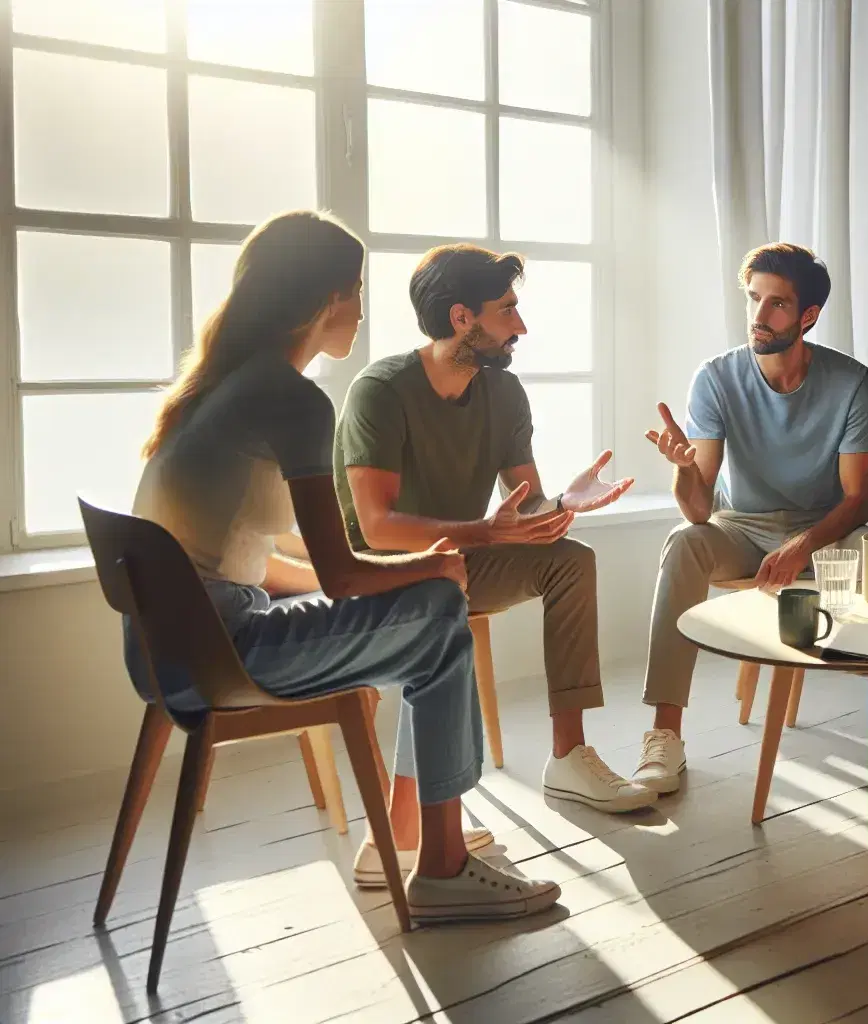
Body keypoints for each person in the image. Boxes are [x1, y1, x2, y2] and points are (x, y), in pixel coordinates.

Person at [129, 211, 561, 922]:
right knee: (443, 610)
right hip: (222, 653)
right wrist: (432, 566)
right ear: (327, 299)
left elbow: (254, 558)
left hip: (168, 650)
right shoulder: (293, 400)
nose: (362, 308)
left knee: (433, 606)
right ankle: (442, 863)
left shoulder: (219, 388)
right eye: (356, 288)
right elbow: (341, 576)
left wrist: (425, 569)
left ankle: (411, 834)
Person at [334, 244, 648, 818]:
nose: (521, 326)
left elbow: (521, 516)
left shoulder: (503, 393)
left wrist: (561, 502)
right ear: (462, 318)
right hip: (387, 574)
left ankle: (570, 756)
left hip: (460, 560)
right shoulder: (380, 392)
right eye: (507, 310)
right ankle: (431, 809)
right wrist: (482, 534)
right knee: (442, 582)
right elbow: (376, 529)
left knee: (571, 559)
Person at [636, 243, 868, 791]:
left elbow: (859, 500)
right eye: (754, 300)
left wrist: (803, 546)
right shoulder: (716, 378)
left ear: (808, 316)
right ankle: (664, 735)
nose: (759, 316)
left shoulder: (850, 381)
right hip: (741, 526)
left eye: (776, 304)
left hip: (824, 528)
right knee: (683, 541)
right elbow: (701, 509)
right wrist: (682, 471)